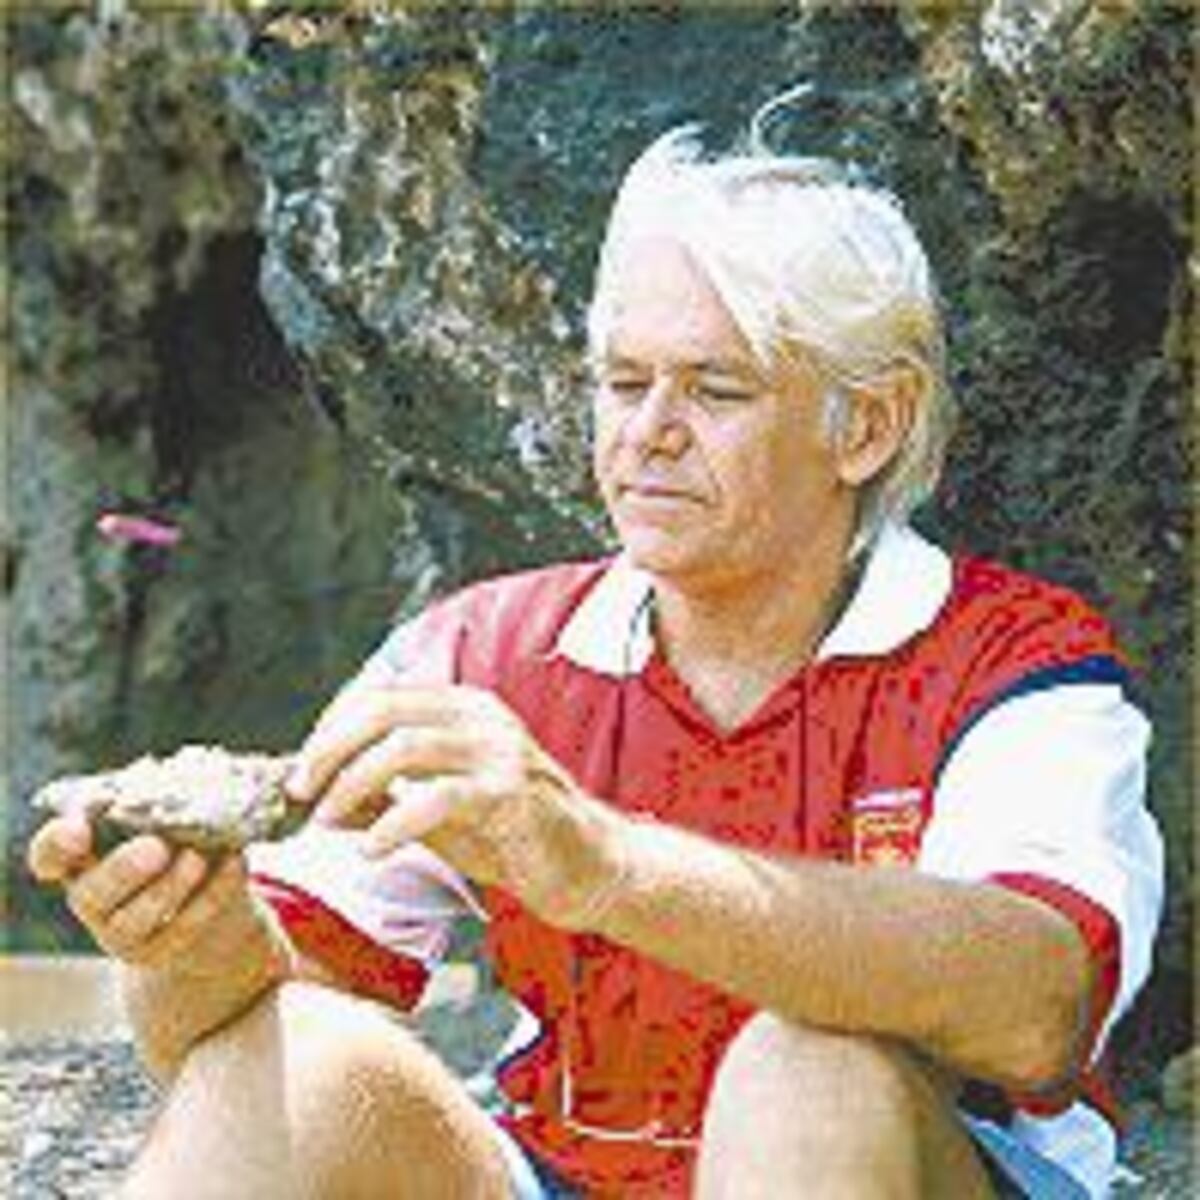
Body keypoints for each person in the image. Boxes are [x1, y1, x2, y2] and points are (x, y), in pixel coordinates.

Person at [29, 118, 1163, 1200]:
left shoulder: (1012, 658)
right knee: (293, 1052)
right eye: (624, 383)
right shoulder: (481, 651)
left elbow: (1039, 1007)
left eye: (715, 388)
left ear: (866, 427)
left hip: (893, 1168)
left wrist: (603, 864)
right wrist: (188, 944)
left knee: (810, 1071)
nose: (648, 430)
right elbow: (233, 1026)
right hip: (564, 1173)